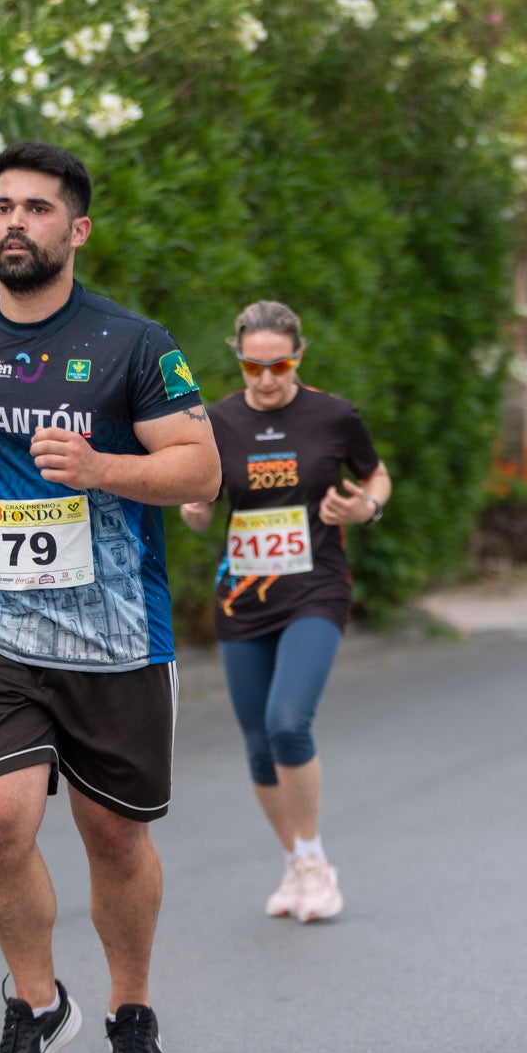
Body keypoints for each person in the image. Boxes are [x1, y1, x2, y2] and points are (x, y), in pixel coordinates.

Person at [0, 141, 218, 1053]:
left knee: (114, 837)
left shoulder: (134, 343)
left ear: (76, 231)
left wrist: (103, 467)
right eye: (0, 207)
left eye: (35, 209)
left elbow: (200, 468)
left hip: (116, 637)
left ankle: (131, 1010)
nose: (13, 224)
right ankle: (34, 1006)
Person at [178, 301, 389, 924]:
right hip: (242, 597)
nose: (266, 379)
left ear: (299, 356)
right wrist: (195, 509)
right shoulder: (215, 422)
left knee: (287, 721)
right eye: (252, 365)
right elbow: (200, 500)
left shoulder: (333, 415)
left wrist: (366, 509)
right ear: (237, 357)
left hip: (315, 589)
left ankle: (316, 860)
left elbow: (377, 477)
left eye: (280, 365)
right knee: (256, 744)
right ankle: (297, 861)